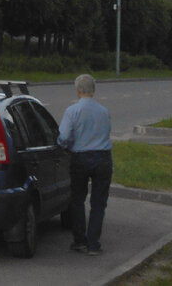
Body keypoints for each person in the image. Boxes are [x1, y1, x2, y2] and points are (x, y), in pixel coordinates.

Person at [57, 73, 113, 255]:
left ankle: (79, 240)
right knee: (98, 203)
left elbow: (64, 137)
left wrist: (65, 146)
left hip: (80, 158)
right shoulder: (104, 111)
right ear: (93, 90)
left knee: (78, 200)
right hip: (103, 158)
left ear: (78, 90)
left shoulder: (72, 111)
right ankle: (94, 244)